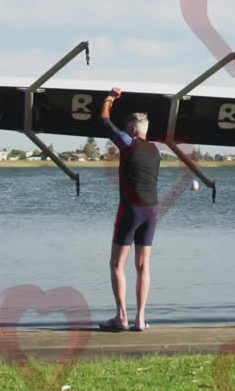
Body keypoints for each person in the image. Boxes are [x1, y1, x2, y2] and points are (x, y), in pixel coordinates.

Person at [98, 87, 160, 332]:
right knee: (143, 266)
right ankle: (140, 320)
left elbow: (104, 120)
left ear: (133, 130)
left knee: (117, 264)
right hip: (151, 211)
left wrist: (109, 99)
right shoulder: (155, 150)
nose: (124, 131)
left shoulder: (128, 143)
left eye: (127, 128)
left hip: (131, 209)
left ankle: (121, 317)